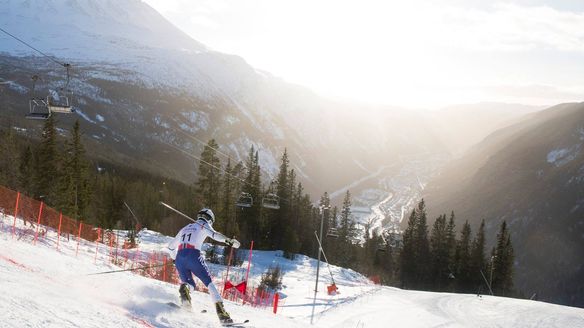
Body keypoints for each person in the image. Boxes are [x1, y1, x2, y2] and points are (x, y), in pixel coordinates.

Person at [168, 208, 240, 324]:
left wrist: (174, 259)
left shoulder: (185, 228)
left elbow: (171, 247)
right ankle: (222, 314)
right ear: (211, 220)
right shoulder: (204, 225)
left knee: (189, 284)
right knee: (209, 283)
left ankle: (185, 294)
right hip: (193, 255)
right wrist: (229, 241)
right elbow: (215, 235)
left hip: (180, 257)